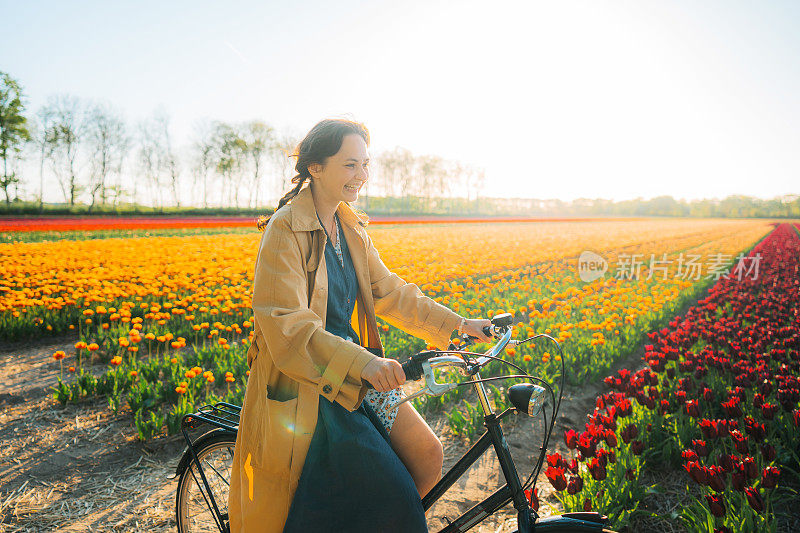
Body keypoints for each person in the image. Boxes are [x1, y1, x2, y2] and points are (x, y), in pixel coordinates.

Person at [228, 118, 492, 532]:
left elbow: (391, 292)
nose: (362, 176)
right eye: (351, 165)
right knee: (390, 494)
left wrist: (459, 325)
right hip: (314, 379)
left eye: (365, 164)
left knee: (426, 456)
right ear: (315, 167)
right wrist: (363, 363)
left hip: (356, 371)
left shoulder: (349, 227)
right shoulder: (285, 230)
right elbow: (288, 326)